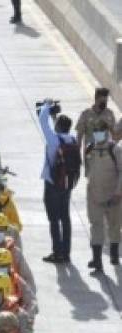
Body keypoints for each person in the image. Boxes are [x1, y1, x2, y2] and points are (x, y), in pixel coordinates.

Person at [39, 98, 77, 263]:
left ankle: (57, 252)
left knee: (53, 219)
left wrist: (46, 106)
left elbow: (42, 120)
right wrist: (56, 117)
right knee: (65, 218)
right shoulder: (72, 139)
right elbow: (60, 129)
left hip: (52, 184)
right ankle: (66, 252)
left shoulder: (53, 139)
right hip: (67, 184)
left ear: (58, 127)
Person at [83, 118, 122, 272]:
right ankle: (97, 259)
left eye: (101, 132)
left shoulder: (116, 150)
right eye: (96, 132)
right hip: (94, 196)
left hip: (113, 196)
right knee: (96, 226)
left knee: (114, 226)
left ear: (106, 133)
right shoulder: (90, 148)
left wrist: (118, 193)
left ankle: (113, 254)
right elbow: (88, 170)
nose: (98, 135)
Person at [75, 87, 116, 156]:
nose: (104, 104)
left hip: (106, 155)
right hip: (90, 155)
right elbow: (79, 135)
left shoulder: (109, 114)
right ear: (96, 99)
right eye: (102, 102)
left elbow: (114, 134)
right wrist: (76, 154)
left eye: (106, 102)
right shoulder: (86, 114)